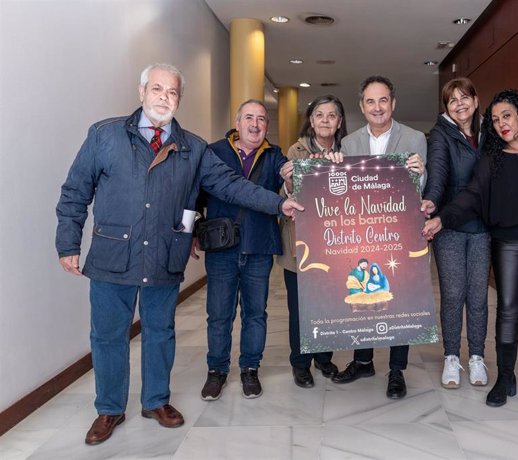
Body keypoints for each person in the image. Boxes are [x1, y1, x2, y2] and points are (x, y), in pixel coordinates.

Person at [55, 63, 303, 445]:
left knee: (160, 333)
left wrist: (277, 204)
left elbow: (231, 185)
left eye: (171, 93)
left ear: (178, 99)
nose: (164, 98)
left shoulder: (194, 148)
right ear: (142, 92)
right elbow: (75, 191)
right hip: (112, 254)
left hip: (163, 256)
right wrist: (68, 242)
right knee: (107, 336)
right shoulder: (105, 135)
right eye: (157, 90)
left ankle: (156, 401)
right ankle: (109, 409)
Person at [422, 89, 518, 409]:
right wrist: (441, 219)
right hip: (507, 242)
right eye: (494, 120)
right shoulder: (492, 160)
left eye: (506, 116)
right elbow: (470, 196)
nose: (500, 124)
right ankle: (505, 377)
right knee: (508, 308)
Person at [333, 75, 427, 400]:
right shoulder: (349, 144)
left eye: (383, 100)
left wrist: (421, 174)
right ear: (362, 106)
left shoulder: (415, 139)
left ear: (393, 104)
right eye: (370, 101)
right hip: (362, 235)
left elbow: (420, 193)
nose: (377, 107)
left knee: (398, 301)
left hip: (399, 237)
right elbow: (342, 192)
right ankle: (363, 361)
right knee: (364, 297)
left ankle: (397, 370)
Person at [193, 99, 290, 401]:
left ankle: (250, 369)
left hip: (259, 245)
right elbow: (195, 196)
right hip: (222, 247)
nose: (255, 124)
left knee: (255, 314)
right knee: (219, 314)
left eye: (261, 119)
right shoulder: (214, 152)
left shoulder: (275, 157)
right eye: (249, 117)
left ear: (267, 126)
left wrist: (290, 179)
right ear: (237, 123)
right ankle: (216, 371)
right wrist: (194, 230)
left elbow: (290, 195)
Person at [422, 78, 491, 389]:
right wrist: (432, 202)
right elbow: (437, 174)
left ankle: (477, 356)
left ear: (476, 101)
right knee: (453, 295)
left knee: (478, 295)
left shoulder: (488, 133)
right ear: (446, 107)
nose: (460, 104)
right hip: (448, 225)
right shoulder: (440, 135)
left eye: (465, 97)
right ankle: (451, 357)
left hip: (483, 226)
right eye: (453, 100)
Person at [276, 94, 346, 388]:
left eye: (332, 115)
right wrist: (288, 179)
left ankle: (324, 358)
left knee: (328, 305)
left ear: (339, 122)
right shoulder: (296, 151)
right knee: (301, 308)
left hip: (335, 247)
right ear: (311, 121)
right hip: (301, 246)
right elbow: (285, 198)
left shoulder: (350, 150)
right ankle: (301, 363)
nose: (325, 121)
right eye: (319, 115)